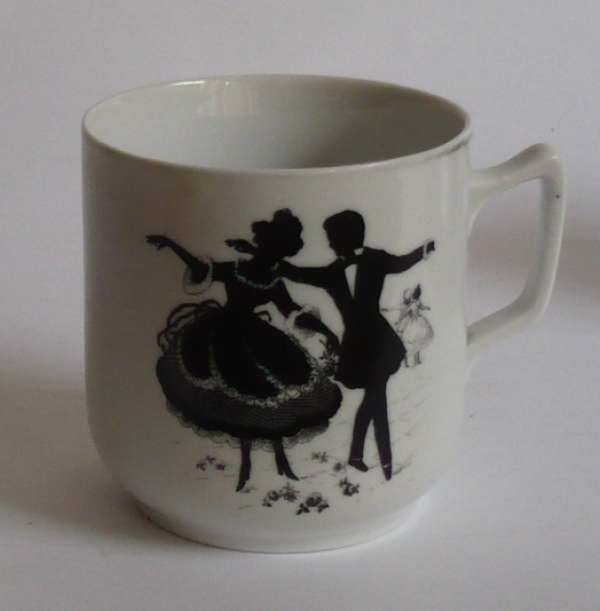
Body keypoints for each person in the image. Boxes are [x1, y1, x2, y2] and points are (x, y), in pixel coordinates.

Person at [147, 209, 342, 492]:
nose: (273, 259)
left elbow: (293, 312)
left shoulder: (273, 282)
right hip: (223, 335)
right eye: (272, 251)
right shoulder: (237, 269)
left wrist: (327, 332)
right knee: (244, 391)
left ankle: (279, 459)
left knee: (272, 390)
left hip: (255, 335)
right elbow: (199, 268)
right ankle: (247, 464)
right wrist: (172, 244)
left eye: (277, 254)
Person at [279, 210, 435, 480]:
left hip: (379, 341)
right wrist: (266, 258)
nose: (329, 244)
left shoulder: (376, 259)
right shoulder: (332, 272)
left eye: (332, 237)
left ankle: (374, 460)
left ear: (345, 237)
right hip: (357, 348)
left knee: (376, 400)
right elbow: (298, 273)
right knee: (375, 399)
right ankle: (375, 462)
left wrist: (424, 249)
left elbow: (401, 263)